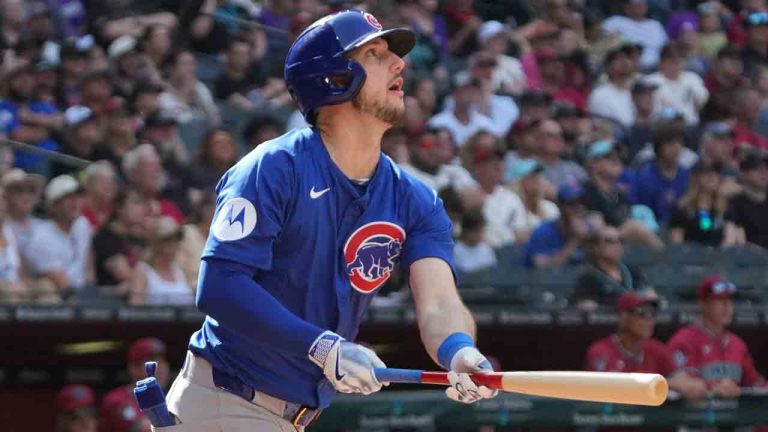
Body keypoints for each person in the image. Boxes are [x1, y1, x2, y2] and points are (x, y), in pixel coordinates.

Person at [164, 10, 497, 431]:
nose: (399, 63)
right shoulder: (273, 167)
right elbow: (219, 287)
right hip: (225, 402)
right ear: (332, 78)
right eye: (375, 54)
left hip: (294, 417)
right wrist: (322, 347)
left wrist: (459, 351)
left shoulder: (415, 198)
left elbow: (439, 303)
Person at [585, 291, 709, 401]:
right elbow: (612, 388)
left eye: (652, 314)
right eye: (641, 313)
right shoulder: (601, 351)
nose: (648, 319)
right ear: (623, 318)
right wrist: (664, 384)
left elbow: (691, 385)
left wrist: (685, 385)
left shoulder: (657, 349)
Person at [667, 276, 768, 397]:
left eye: (729, 300)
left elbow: (755, 384)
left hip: (732, 413)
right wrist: (715, 386)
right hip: (695, 413)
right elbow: (683, 384)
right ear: (702, 304)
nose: (726, 305)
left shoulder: (737, 344)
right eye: (719, 299)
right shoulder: (684, 341)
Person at [24, 175, 92, 300]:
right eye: (67, 197)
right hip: (59, 299)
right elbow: (61, 283)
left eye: (77, 196)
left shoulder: (82, 225)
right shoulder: (41, 237)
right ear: (53, 206)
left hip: (83, 291)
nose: (75, 202)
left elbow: (88, 267)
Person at [100, 337, 170, 432]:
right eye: (153, 362)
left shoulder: (170, 398)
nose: (161, 368)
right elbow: (145, 428)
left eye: (163, 361)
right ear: (133, 368)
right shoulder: (116, 400)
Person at [524, 184, 602, 269]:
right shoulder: (542, 232)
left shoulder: (589, 229)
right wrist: (575, 241)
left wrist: (592, 240)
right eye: (572, 203)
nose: (578, 208)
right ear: (560, 206)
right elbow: (543, 269)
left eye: (582, 203)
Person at [571, 226, 649, 309]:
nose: (617, 245)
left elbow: (649, 296)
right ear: (596, 247)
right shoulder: (588, 277)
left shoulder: (633, 271)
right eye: (610, 241)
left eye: (620, 241)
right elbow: (587, 307)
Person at [91, 188, 149, 296]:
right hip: (110, 303)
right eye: (136, 203)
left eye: (142, 204)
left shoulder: (137, 238)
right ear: (119, 208)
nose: (142, 209)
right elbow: (124, 274)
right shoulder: (105, 237)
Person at [669, 161, 737, 247]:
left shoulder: (725, 208)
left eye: (715, 173)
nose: (711, 176)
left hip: (719, 256)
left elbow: (729, 239)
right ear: (696, 178)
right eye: (705, 173)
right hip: (691, 256)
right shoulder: (683, 208)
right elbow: (677, 243)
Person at [128, 216, 193, 306]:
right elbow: (135, 309)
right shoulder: (142, 271)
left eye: (176, 239)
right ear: (156, 243)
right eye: (168, 240)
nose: (174, 245)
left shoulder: (180, 271)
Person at [725, 151, 768, 248]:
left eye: (767, 169)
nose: (764, 173)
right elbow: (731, 239)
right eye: (756, 169)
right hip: (749, 258)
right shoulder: (735, 203)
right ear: (743, 174)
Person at [454, 208, 496, 274]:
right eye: (477, 231)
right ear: (467, 231)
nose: (480, 234)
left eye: (482, 230)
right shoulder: (455, 251)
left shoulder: (486, 249)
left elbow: (491, 274)